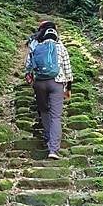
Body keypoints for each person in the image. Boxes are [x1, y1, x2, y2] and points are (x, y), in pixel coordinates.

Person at [25, 26, 73, 159]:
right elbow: (68, 70)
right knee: (56, 116)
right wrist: (68, 88)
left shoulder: (37, 47)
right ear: (56, 38)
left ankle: (47, 139)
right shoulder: (61, 48)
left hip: (40, 83)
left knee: (44, 111)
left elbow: (28, 66)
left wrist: (31, 80)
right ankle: (53, 149)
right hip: (56, 83)